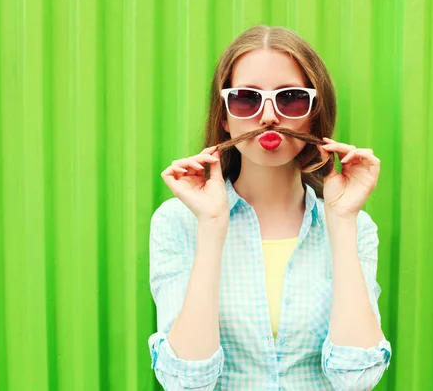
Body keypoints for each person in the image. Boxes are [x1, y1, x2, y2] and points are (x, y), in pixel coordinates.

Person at [147, 25, 392, 391]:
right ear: (225, 118)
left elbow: (357, 378)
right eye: (246, 98)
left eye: (290, 98)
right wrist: (213, 224)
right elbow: (186, 383)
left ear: (313, 113)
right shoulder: (178, 223)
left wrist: (341, 222)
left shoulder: (354, 224)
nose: (267, 116)